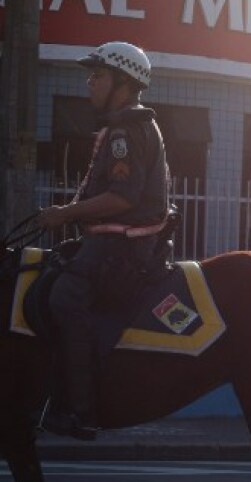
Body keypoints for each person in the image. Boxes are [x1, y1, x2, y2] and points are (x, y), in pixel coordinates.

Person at [35, 42, 171, 440]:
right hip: (112, 244)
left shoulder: (125, 132)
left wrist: (66, 214)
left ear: (124, 84)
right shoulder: (126, 127)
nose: (89, 83)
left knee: (65, 297)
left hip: (121, 250)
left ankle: (80, 410)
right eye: (90, 75)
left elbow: (123, 197)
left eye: (98, 76)